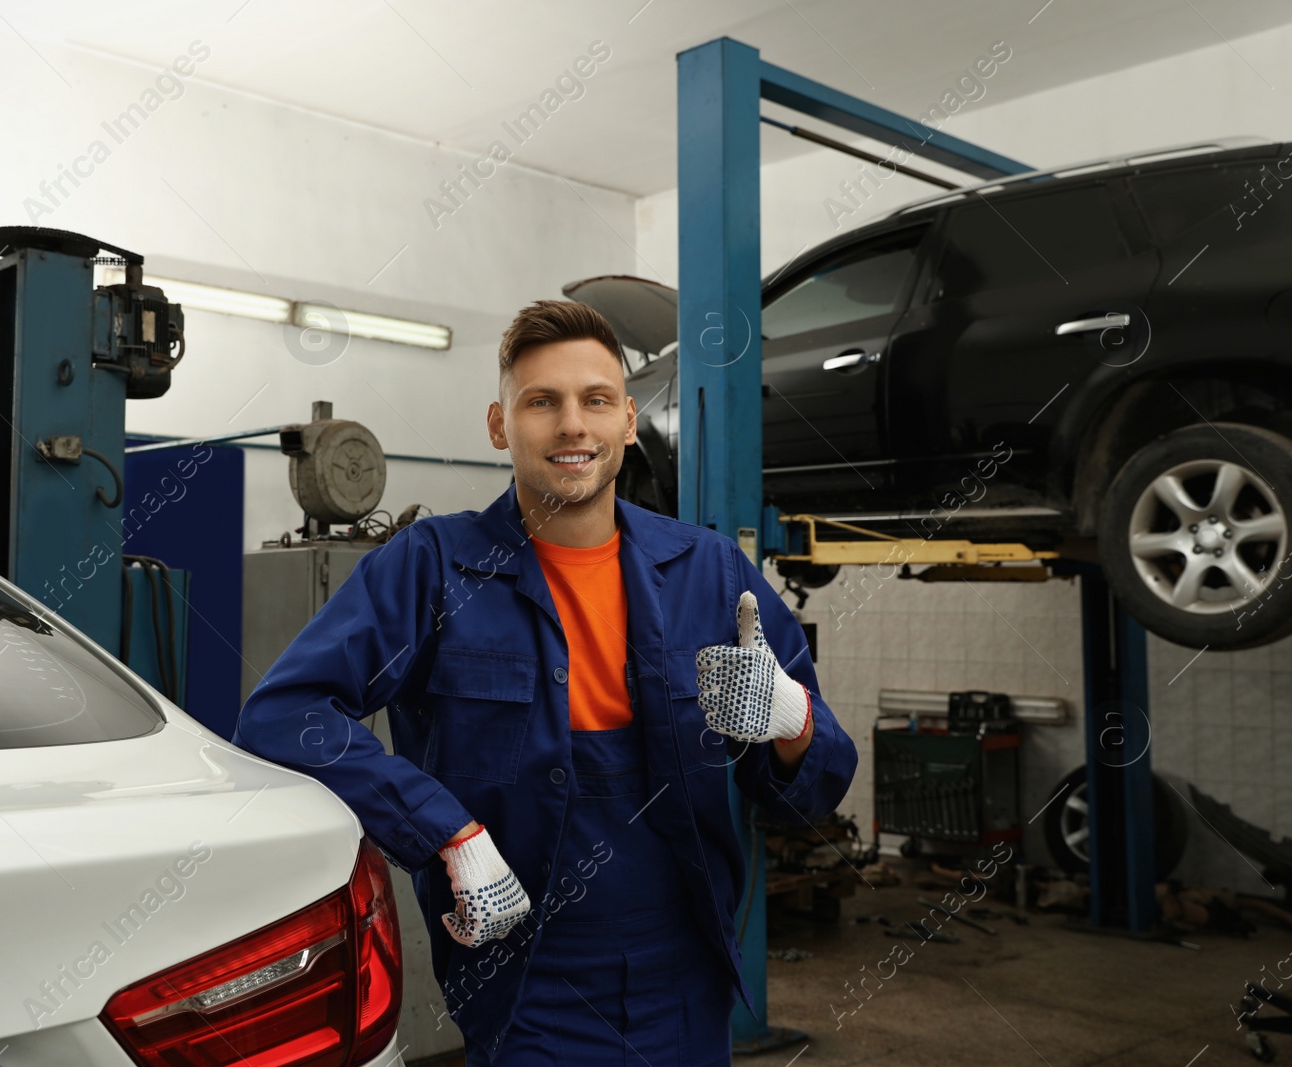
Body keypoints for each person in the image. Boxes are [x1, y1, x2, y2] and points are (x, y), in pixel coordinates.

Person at [233, 299, 857, 1065]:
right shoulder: (431, 567)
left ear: (628, 420)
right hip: (526, 984)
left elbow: (816, 789)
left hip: (687, 976)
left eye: (596, 400)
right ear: (500, 425)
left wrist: (791, 719)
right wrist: (443, 830)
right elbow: (283, 713)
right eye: (542, 402)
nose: (572, 425)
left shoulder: (710, 572)